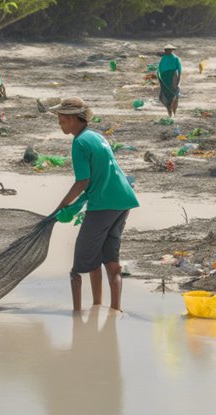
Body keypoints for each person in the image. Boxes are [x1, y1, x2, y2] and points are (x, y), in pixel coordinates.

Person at [50, 97, 139, 311]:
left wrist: (62, 205)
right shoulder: (97, 137)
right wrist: (75, 205)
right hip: (122, 200)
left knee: (80, 264)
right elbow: (98, 178)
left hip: (103, 205)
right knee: (109, 258)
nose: (59, 122)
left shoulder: (79, 142)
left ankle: (77, 315)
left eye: (61, 119)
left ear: (73, 118)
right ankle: (111, 309)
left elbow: (83, 181)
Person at [157, 44, 182, 117]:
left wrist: (179, 80)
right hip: (165, 79)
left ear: (172, 50)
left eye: (170, 50)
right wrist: (160, 80)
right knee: (166, 95)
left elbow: (180, 70)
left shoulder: (176, 58)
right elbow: (159, 70)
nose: (168, 51)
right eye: (166, 50)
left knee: (175, 95)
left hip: (173, 77)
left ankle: (174, 111)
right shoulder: (163, 59)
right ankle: (170, 113)